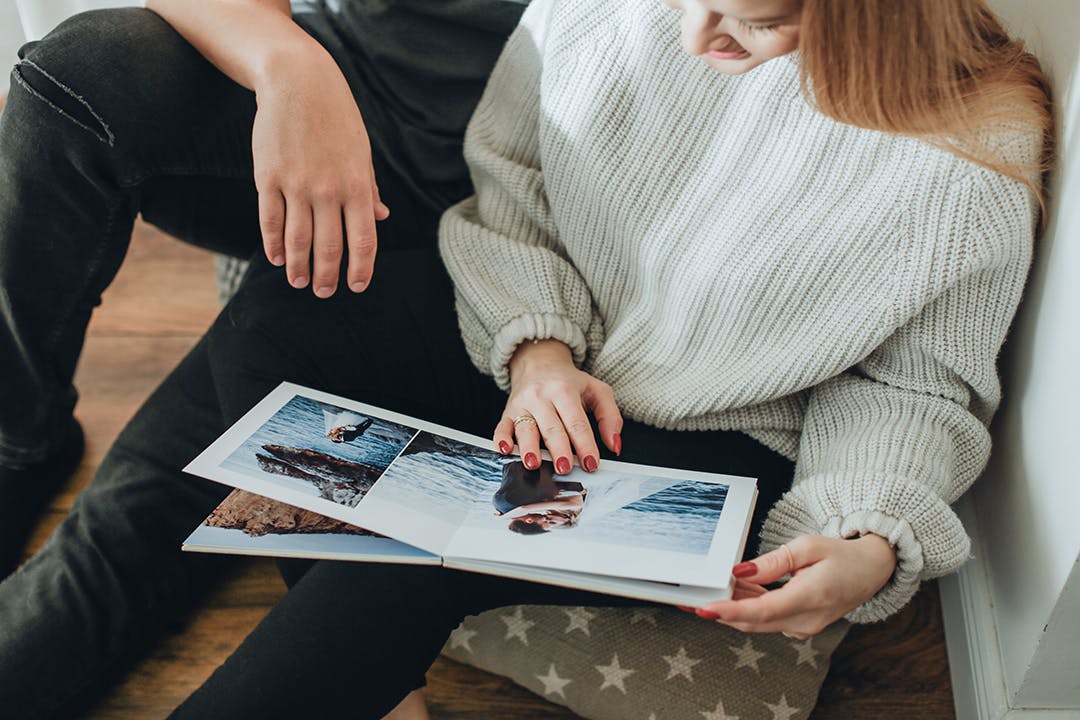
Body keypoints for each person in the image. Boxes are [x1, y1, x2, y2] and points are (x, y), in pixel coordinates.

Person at [0, 0, 1052, 719]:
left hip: (707, 438)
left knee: (409, 571)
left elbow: (918, 387)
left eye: (756, 19)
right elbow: (509, 181)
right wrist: (538, 349)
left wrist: (868, 537)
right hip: (533, 345)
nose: (696, 38)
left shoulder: (970, 156)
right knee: (278, 331)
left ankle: (361, 633)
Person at [0, 1, 530, 718]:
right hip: (341, 102)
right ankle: (18, 439)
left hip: (492, 236)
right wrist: (291, 67)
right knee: (78, 68)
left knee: (112, 541)